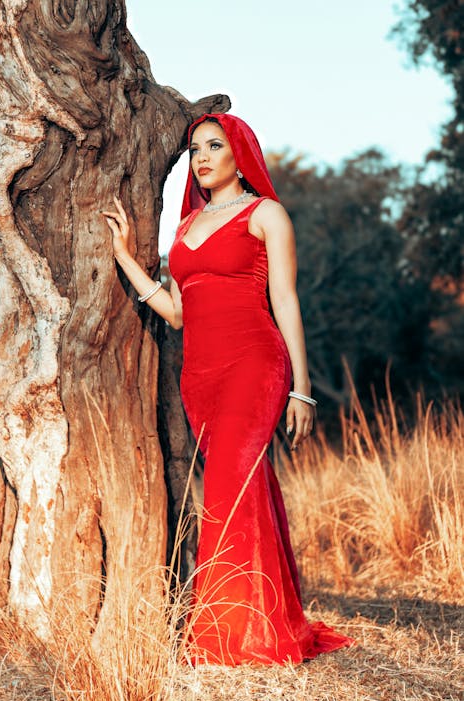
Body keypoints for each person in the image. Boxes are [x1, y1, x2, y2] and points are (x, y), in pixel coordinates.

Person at [103, 113, 354, 666]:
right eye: (195, 149)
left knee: (226, 491)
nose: (203, 158)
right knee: (244, 491)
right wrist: (125, 259)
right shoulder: (187, 227)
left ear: (241, 152)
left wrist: (302, 389)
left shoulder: (267, 214)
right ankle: (266, 620)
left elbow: (285, 300)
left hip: (255, 365)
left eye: (215, 146)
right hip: (200, 375)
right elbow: (175, 313)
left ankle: (223, 637)